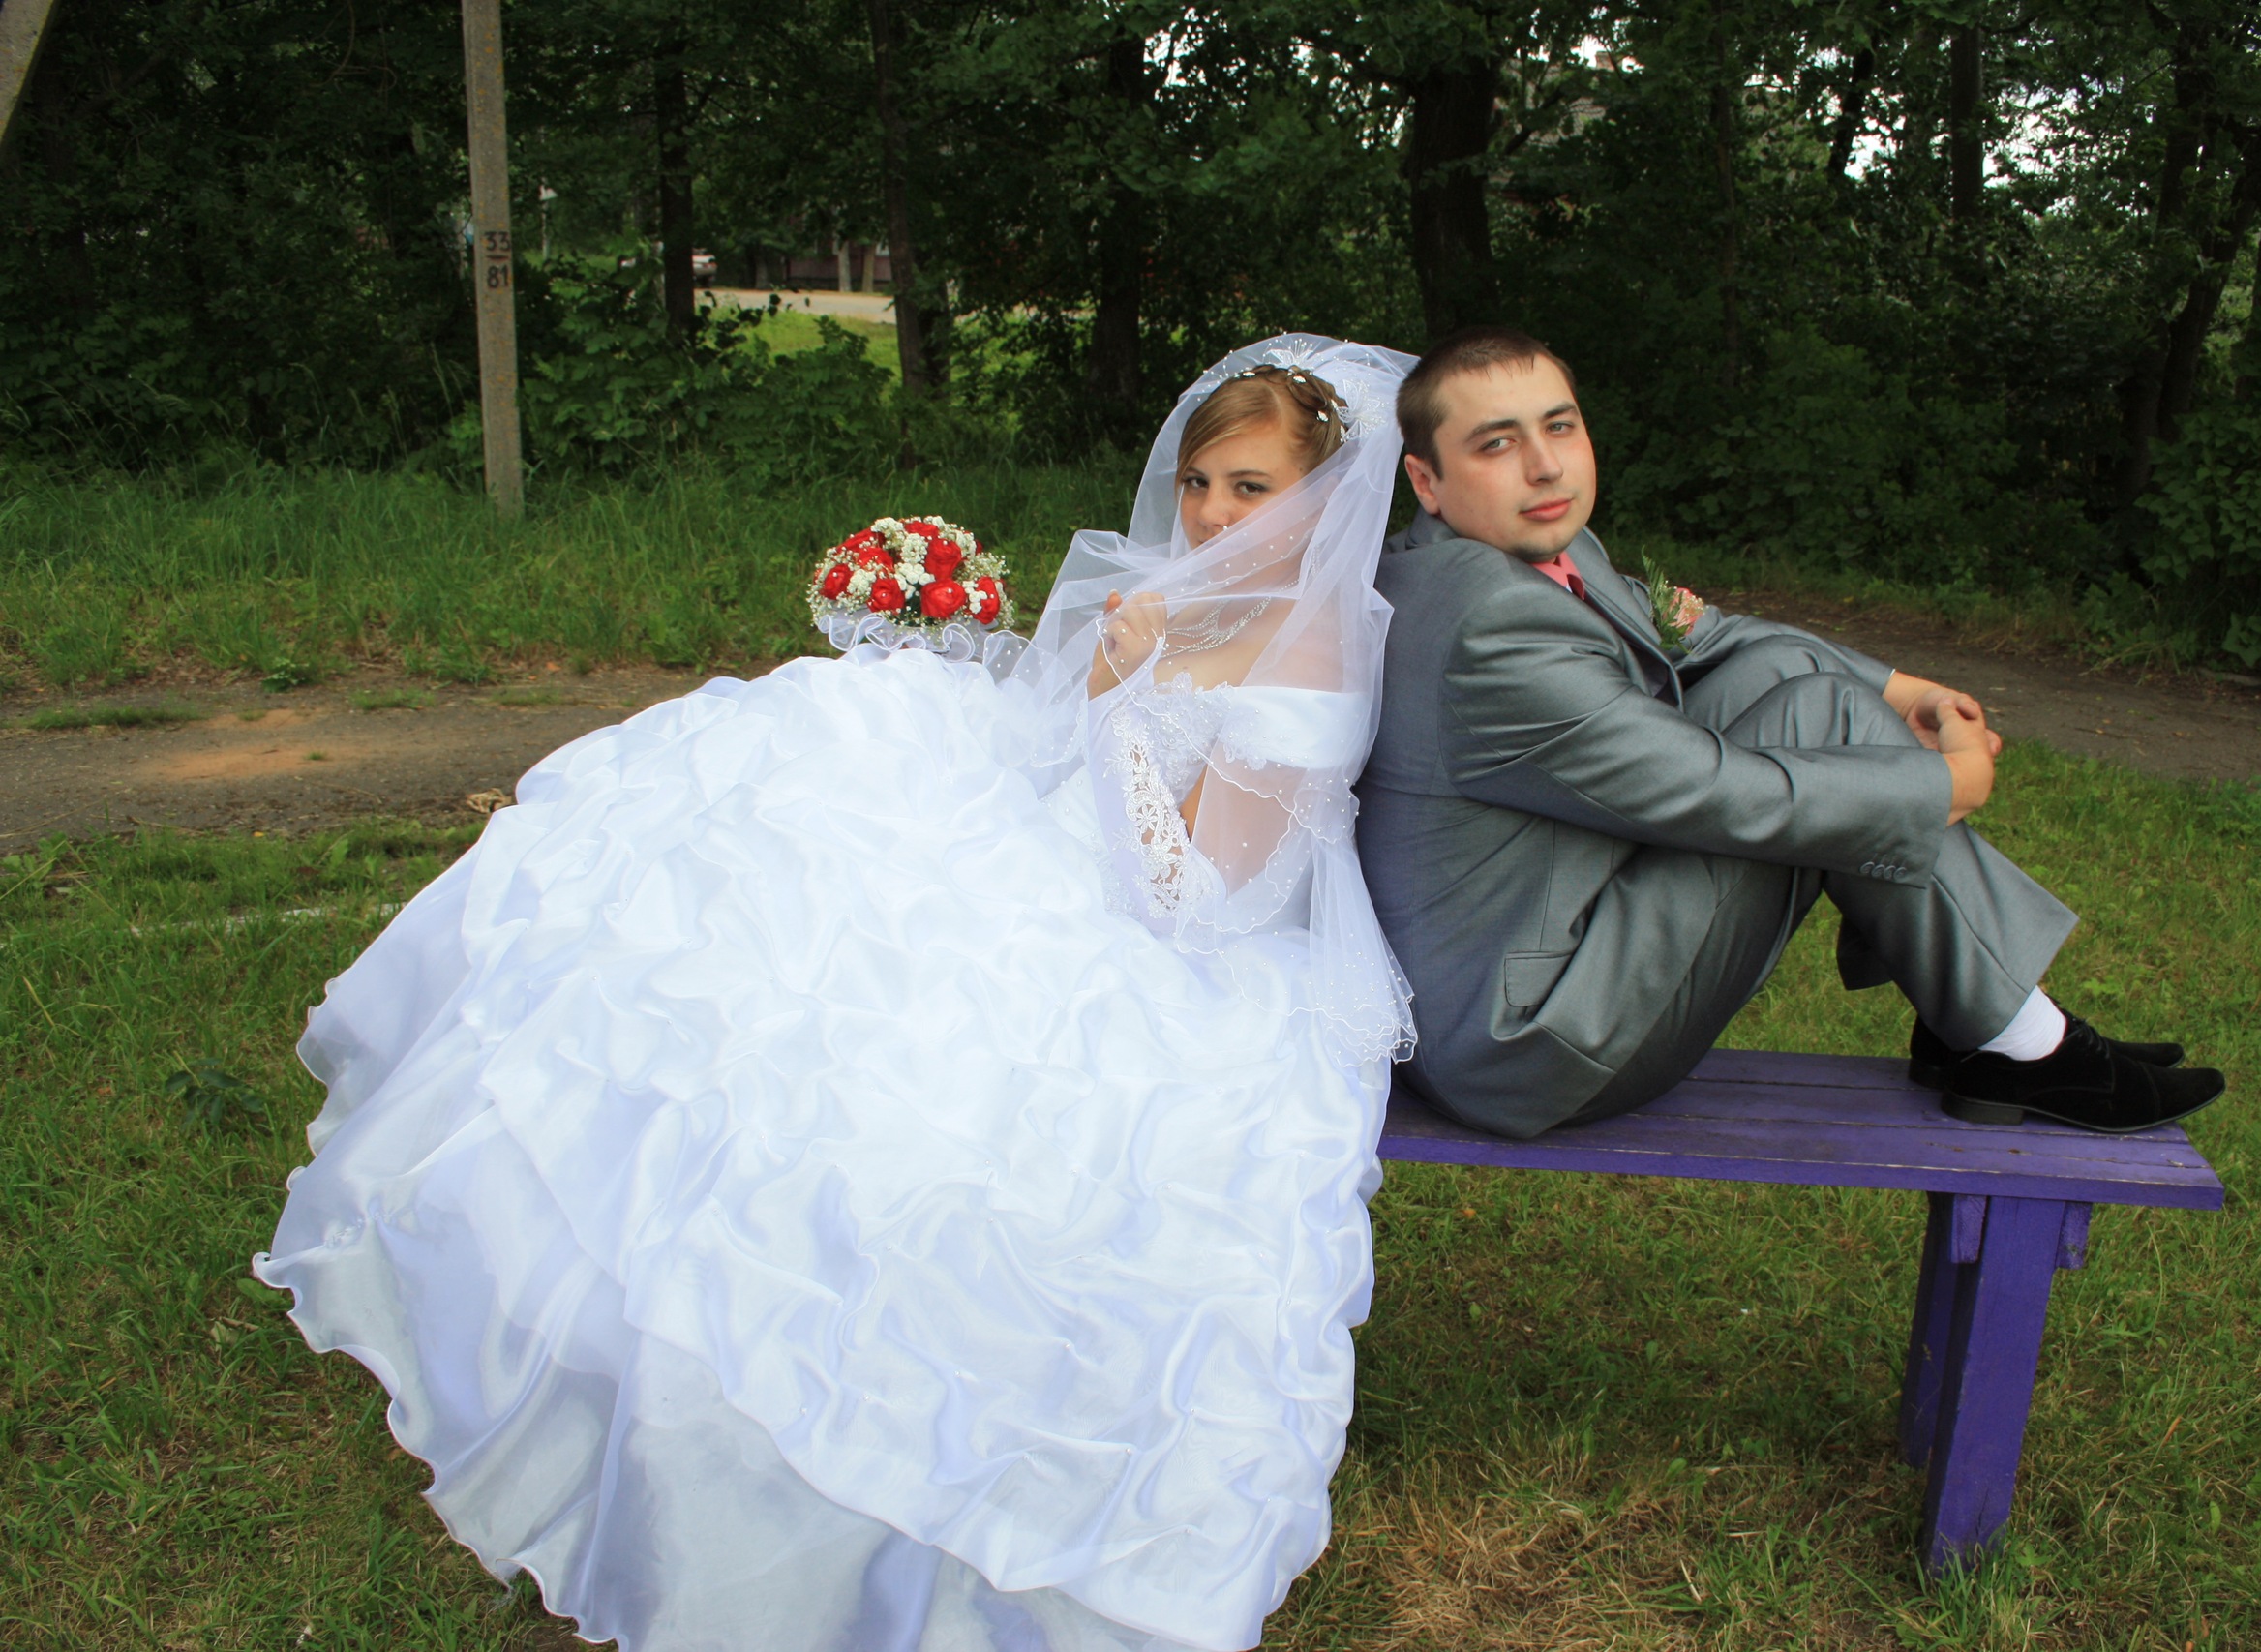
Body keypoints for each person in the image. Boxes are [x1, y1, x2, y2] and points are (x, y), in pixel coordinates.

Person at [254, 335, 1418, 1652]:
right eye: (1201, 481)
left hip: (1176, 956)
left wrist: (1114, 701)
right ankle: (578, 1282)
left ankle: (770, 1402)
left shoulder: (1309, 665)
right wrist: (1060, 684)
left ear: (1321, 500)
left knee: (888, 1085)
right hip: (1061, 853)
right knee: (773, 838)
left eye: (1250, 488)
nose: (1207, 514)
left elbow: (1188, 901)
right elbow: (1058, 757)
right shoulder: (1195, 600)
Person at [1358, 326, 2225, 1140]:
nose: (1545, 465)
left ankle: (1979, 1013)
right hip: (1525, 1041)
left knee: (1794, 684)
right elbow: (1713, 791)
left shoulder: (1530, 546)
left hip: (1531, 952)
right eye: (1497, 444)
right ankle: (2017, 1039)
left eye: (1560, 426)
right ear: (1426, 481)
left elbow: (1714, 638)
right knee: (1817, 730)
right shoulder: (1488, 624)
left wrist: (1912, 692)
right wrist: (1949, 785)